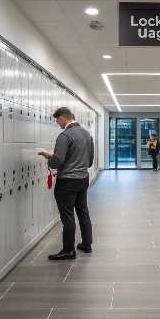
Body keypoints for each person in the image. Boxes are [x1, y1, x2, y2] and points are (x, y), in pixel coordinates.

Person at [38, 107, 94, 260]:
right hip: (83, 179)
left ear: (62, 118)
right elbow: (88, 161)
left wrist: (50, 159)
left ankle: (69, 250)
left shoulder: (65, 135)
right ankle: (86, 244)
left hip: (67, 182)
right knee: (83, 211)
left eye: (58, 121)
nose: (58, 124)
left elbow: (57, 160)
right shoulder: (86, 134)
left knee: (68, 217)